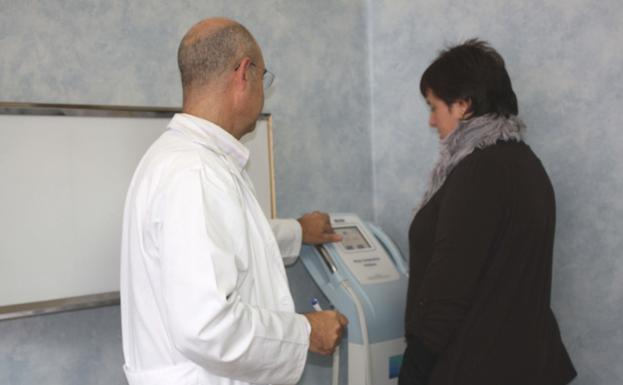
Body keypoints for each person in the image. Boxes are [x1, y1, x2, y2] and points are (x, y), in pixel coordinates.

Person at [120, 18, 348, 385]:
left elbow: (235, 239)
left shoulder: (181, 160)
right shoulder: (195, 173)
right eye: (264, 78)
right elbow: (206, 326)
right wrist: (305, 331)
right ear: (245, 73)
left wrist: (298, 231)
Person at [399, 39, 577, 385]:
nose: (432, 121)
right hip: (527, 362)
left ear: (463, 105)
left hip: (479, 366)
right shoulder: (525, 163)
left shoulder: (480, 172)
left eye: (434, 107)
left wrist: (415, 367)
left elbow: (450, 284)